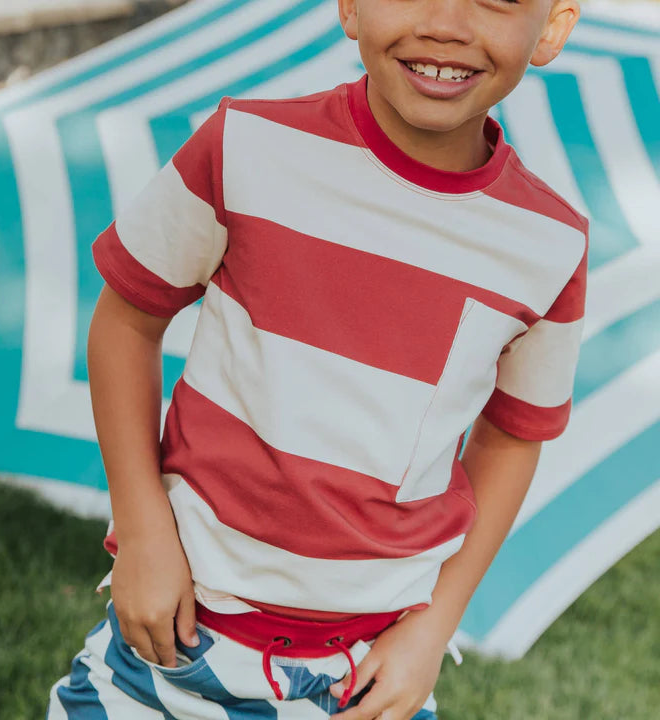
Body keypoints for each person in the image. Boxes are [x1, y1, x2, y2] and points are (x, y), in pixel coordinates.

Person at [47, 0, 588, 718]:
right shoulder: (245, 146)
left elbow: (513, 437)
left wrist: (436, 624)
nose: (448, 25)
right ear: (348, 7)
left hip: (361, 680)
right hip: (168, 648)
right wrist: (141, 530)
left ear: (550, 28)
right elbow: (127, 321)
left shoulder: (547, 244)